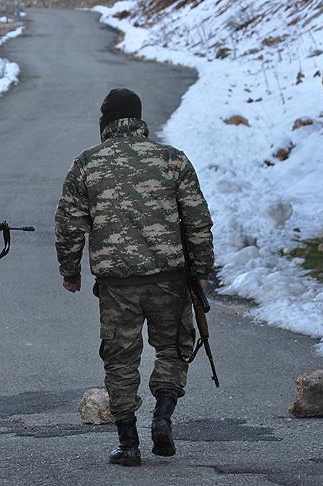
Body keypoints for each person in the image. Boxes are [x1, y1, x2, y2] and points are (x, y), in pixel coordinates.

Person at [54, 88, 214, 467]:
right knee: (172, 348)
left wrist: (70, 271)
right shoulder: (172, 160)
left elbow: (69, 225)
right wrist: (202, 271)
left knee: (120, 361)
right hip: (169, 280)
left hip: (117, 287)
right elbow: (197, 220)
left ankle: (128, 444)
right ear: (138, 118)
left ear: (105, 121)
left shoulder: (86, 164)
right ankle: (163, 416)